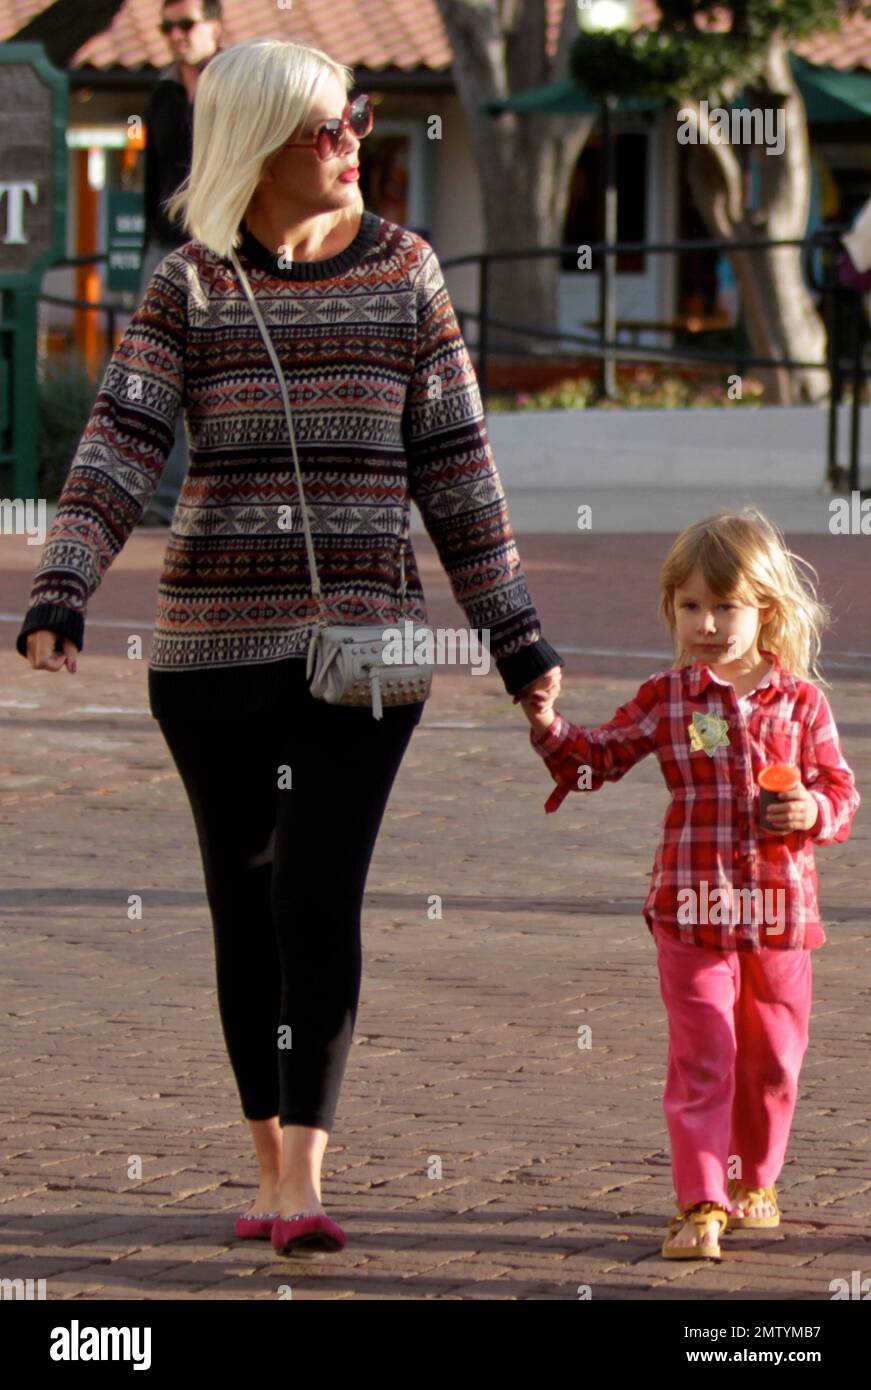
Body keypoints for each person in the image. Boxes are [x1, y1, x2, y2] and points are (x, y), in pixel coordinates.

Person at [16, 39, 563, 1257]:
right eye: (328, 125)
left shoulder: (408, 274)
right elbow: (120, 441)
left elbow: (458, 470)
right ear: (257, 144)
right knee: (245, 899)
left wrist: (516, 637)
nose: (355, 139)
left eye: (359, 116)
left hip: (365, 655)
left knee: (317, 895)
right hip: (212, 655)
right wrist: (62, 585)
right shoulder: (191, 286)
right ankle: (265, 1161)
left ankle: (305, 1178)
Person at [518, 508, 859, 1260]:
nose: (706, 623)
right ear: (671, 609)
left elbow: (841, 791)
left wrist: (811, 806)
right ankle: (698, 1200)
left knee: (771, 1059)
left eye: (725, 605)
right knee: (703, 1052)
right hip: (689, 904)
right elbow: (596, 759)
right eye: (691, 605)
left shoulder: (800, 702)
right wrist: (547, 723)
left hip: (778, 912)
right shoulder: (667, 696)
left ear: (764, 608)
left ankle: (754, 1181)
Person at [138, 0, 223, 525]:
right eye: (167, 27)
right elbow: (152, 176)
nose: (176, 36)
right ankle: (162, 497)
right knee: (154, 372)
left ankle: (211, 498)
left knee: (217, 373)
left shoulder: (235, 86)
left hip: (222, 246)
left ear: (215, 26)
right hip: (166, 249)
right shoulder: (162, 94)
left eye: (186, 25)